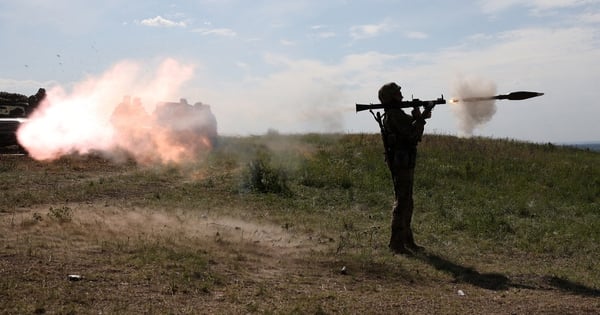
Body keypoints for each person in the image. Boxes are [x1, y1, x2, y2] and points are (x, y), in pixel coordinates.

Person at [377, 82, 432, 254]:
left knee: (408, 201)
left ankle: (407, 241)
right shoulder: (394, 115)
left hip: (404, 161)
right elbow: (412, 134)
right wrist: (421, 116)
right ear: (391, 96)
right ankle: (396, 243)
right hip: (401, 162)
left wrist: (419, 113)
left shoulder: (396, 114)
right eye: (398, 93)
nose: (401, 95)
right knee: (402, 202)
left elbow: (411, 124)